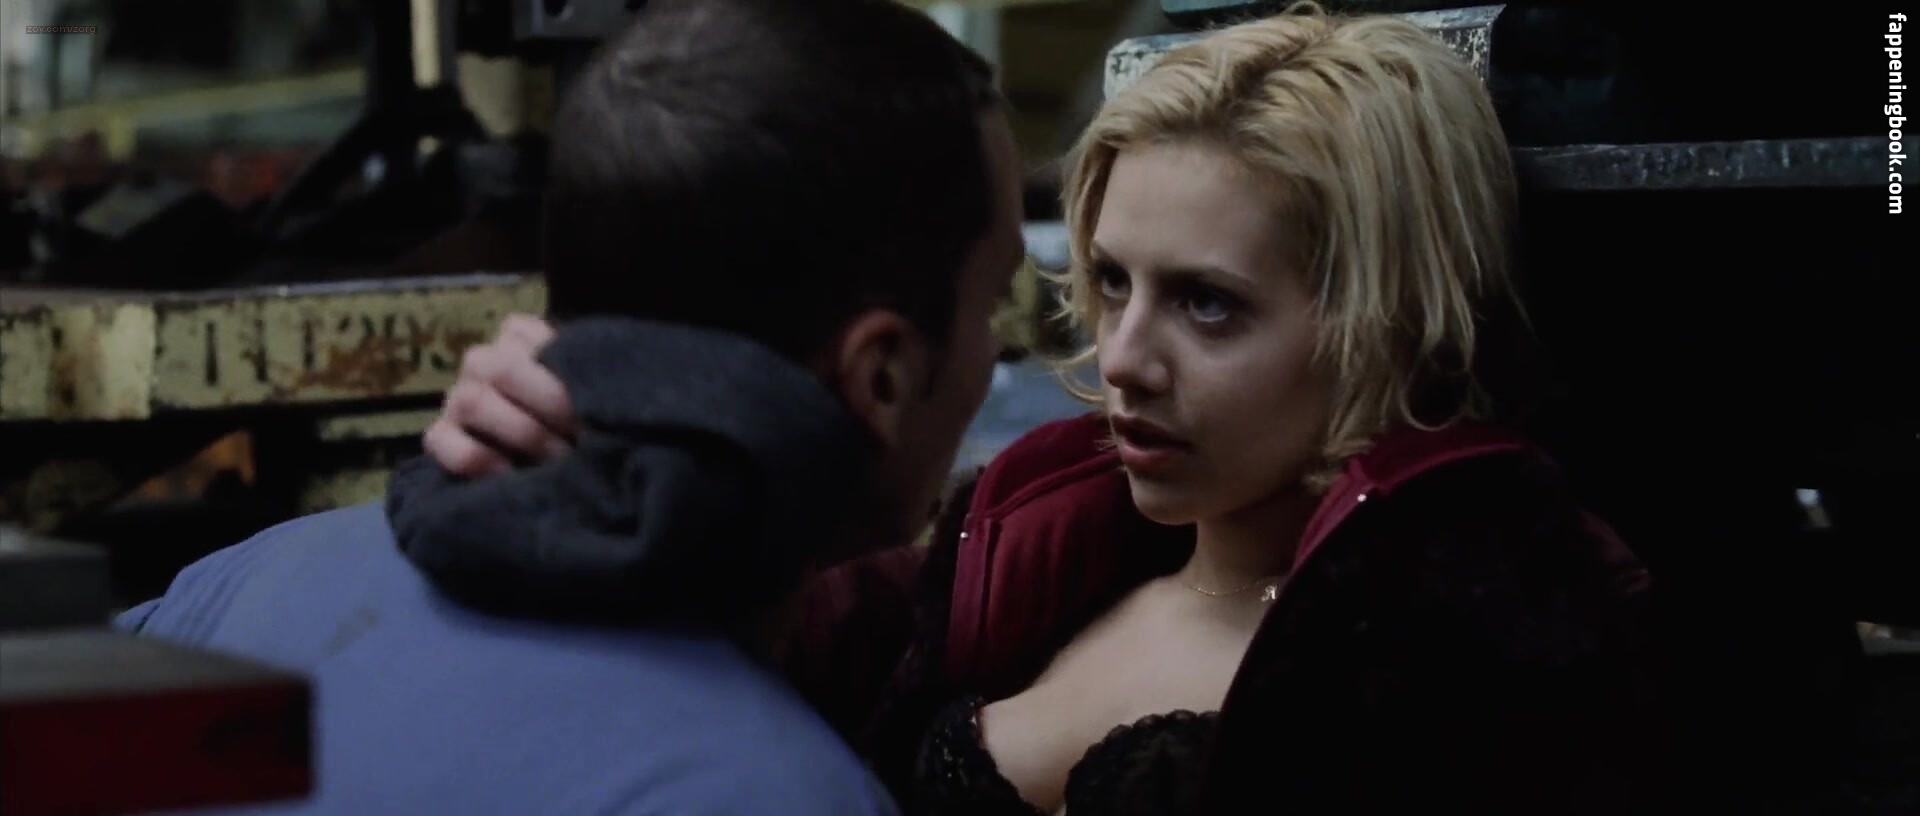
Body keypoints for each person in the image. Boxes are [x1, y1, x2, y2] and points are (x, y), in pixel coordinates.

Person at [424, 4, 1662, 814]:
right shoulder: (1028, 541)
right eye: (1112, 282)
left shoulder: (1490, 629)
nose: (1124, 358)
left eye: (1210, 305)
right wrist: (560, 440)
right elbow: (695, 645)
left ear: (1387, 316)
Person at [112, 0, 1027, 813]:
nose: (999, 350)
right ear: (882, 376)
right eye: (992, 305)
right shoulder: (773, 790)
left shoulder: (238, 588)